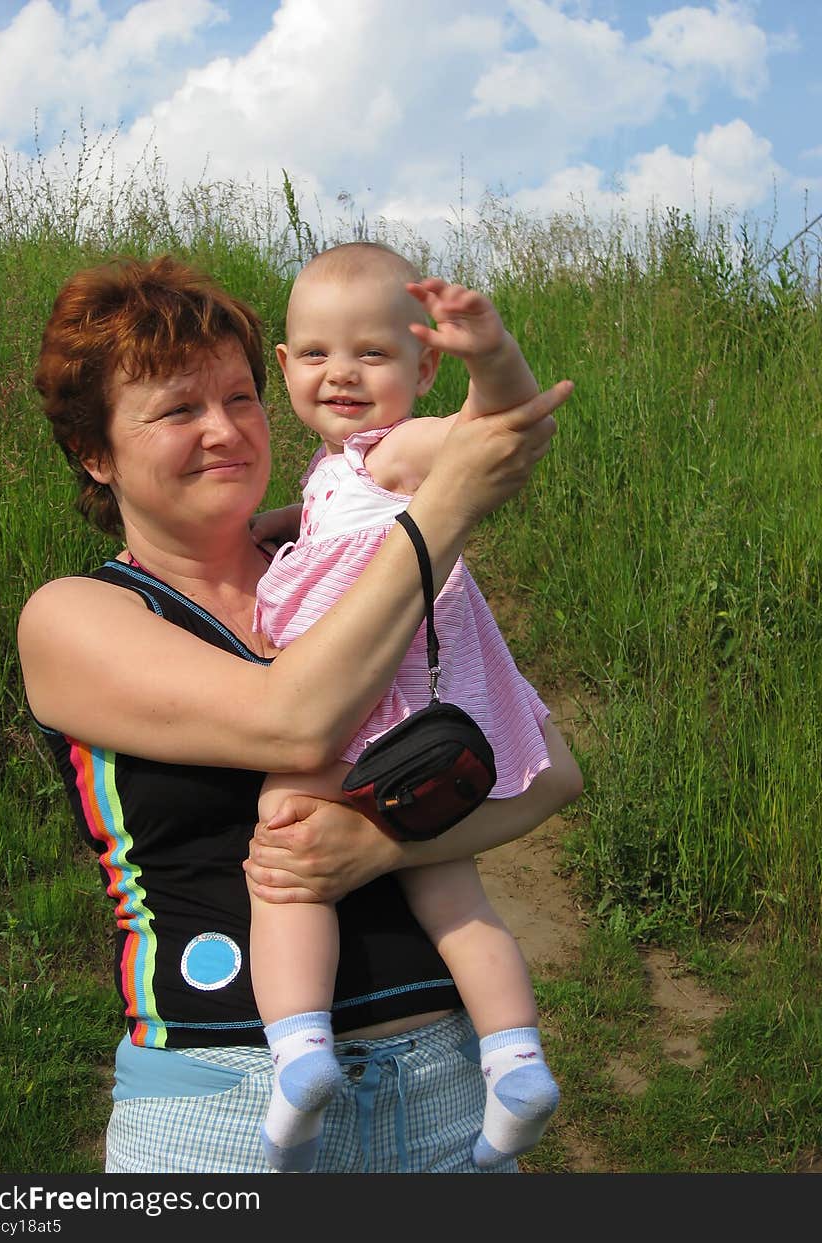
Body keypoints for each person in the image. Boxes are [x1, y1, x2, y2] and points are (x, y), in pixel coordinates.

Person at [17, 253, 582, 1175]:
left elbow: (551, 770)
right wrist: (437, 514)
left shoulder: (339, 565)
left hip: (440, 1082)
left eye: (239, 398)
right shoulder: (78, 617)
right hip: (224, 1105)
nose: (225, 431)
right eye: (176, 410)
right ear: (95, 452)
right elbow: (293, 721)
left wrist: (389, 845)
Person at [249, 242, 574, 1173]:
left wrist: (491, 351)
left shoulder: (394, 449)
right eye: (314, 353)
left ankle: (300, 1051)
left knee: (286, 847)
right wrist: (287, 521)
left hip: (356, 697)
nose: (340, 373)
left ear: (423, 367)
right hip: (421, 710)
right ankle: (516, 1060)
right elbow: (333, 519)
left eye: (372, 355)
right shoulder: (339, 475)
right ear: (285, 366)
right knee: (451, 883)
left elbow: (498, 424)